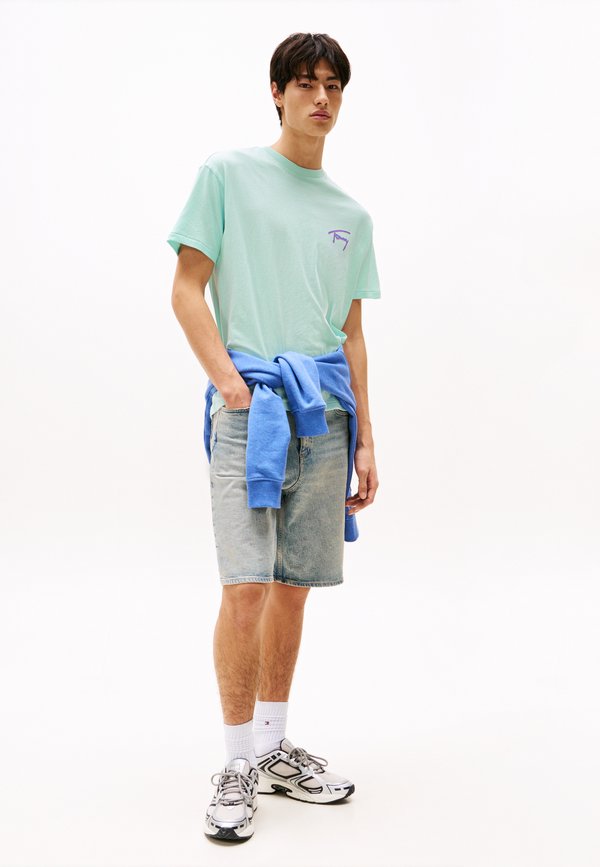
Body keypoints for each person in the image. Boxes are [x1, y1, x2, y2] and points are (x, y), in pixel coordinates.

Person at [167, 32, 381, 843]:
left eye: (334, 86)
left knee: (293, 586)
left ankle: (272, 747)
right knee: (246, 585)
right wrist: (229, 383)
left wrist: (367, 437)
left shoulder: (350, 215)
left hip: (324, 416)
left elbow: (351, 332)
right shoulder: (228, 174)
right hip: (250, 410)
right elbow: (187, 287)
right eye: (306, 83)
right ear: (277, 92)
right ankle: (234, 764)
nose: (321, 98)